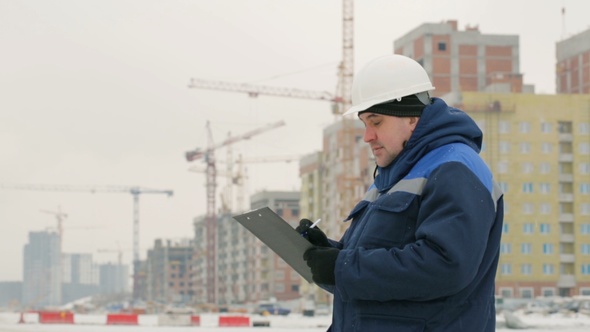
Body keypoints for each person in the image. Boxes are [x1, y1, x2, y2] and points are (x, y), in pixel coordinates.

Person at [296, 54, 504, 331]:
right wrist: (329, 254)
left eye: (376, 122)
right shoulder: (393, 175)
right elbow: (378, 266)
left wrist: (342, 266)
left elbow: (446, 266)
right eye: (364, 124)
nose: (367, 136)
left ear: (411, 118)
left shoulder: (454, 168)